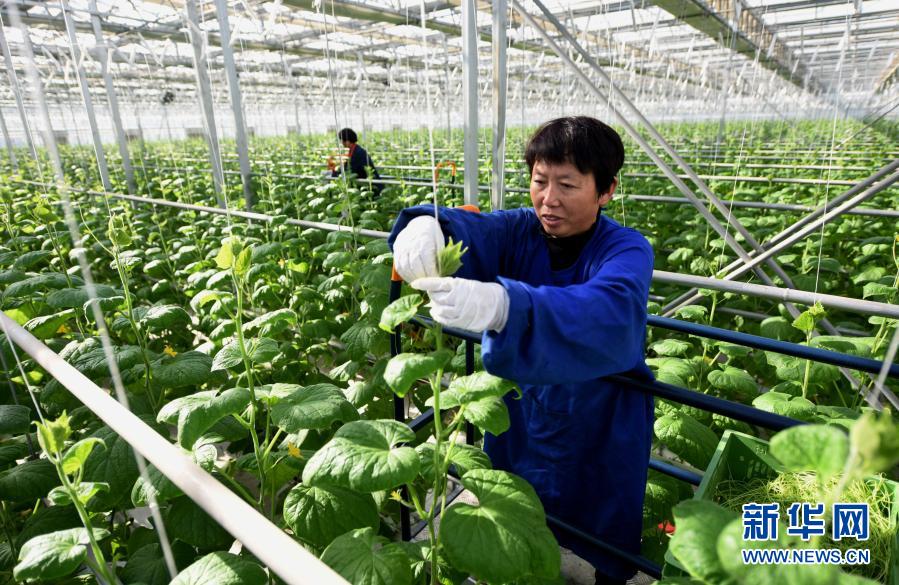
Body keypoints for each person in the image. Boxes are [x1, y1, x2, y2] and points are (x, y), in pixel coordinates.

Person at [388, 116, 654, 585]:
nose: (548, 199)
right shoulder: (520, 229)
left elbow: (610, 312)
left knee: (604, 521)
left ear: (607, 190)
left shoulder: (626, 249)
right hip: (525, 411)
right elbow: (475, 230)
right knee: (516, 510)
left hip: (600, 416)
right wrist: (429, 225)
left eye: (567, 185)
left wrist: (507, 306)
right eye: (539, 181)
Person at [328, 128, 382, 196]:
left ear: (347, 141)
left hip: (371, 188)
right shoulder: (355, 149)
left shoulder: (358, 152)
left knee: (332, 176)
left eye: (342, 140)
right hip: (366, 185)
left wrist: (335, 170)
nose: (341, 143)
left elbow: (351, 170)